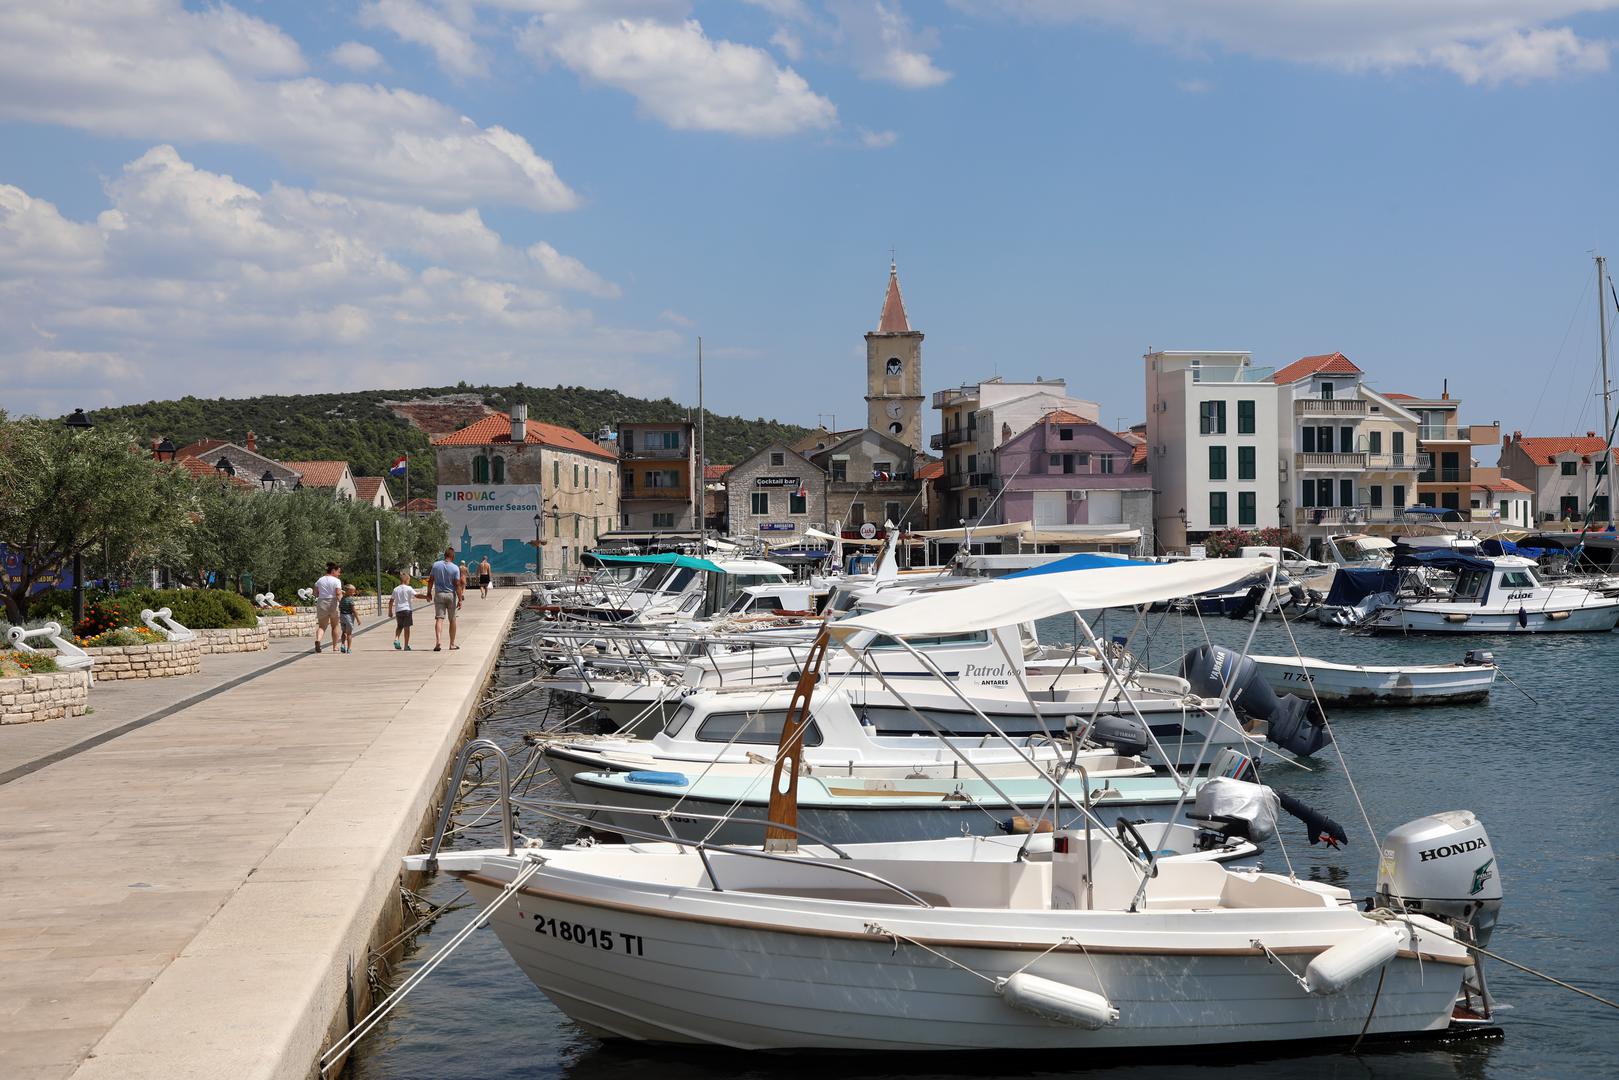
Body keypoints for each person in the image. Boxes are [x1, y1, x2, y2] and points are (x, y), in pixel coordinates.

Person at [430, 547, 463, 651]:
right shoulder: (455, 568)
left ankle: (438, 641)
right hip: (450, 595)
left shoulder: (436, 565)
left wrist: (428, 592)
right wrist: (460, 599)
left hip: (439, 594)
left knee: (439, 618)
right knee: (452, 619)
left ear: (444, 555)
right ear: (453, 556)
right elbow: (457, 585)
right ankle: (452, 644)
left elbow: (430, 580)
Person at [313, 562, 342, 654]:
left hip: (321, 602)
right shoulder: (336, 581)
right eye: (338, 572)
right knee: (335, 625)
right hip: (333, 603)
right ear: (333, 571)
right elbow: (338, 593)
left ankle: (318, 640)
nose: (339, 574)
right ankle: (335, 646)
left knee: (322, 626)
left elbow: (315, 593)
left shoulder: (319, 580)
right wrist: (342, 602)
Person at [389, 572, 421, 650]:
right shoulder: (409, 588)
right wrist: (426, 597)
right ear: (406, 580)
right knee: (407, 628)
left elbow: (391, 600)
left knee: (399, 626)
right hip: (407, 610)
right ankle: (406, 646)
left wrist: (390, 611)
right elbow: (416, 595)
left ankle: (396, 639)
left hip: (398, 610)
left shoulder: (396, 589)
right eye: (409, 580)